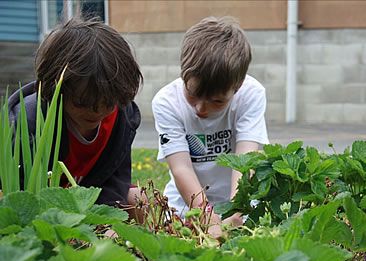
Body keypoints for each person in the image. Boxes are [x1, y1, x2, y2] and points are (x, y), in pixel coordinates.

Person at [8, 16, 144, 212]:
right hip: (47, 211)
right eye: (83, 103)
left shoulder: (121, 119)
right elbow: (19, 194)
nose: (97, 112)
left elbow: (115, 182)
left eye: (108, 103)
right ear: (57, 89)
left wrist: (105, 224)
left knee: (139, 199)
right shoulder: (27, 125)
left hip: (86, 205)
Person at [152, 16, 269, 233]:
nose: (200, 109)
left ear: (238, 86)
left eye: (217, 101)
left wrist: (234, 214)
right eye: (193, 94)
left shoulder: (251, 94)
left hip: (238, 206)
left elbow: (244, 162)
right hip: (185, 207)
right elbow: (181, 167)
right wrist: (207, 218)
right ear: (183, 73)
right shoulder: (167, 102)